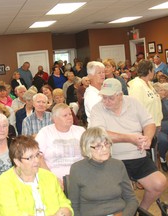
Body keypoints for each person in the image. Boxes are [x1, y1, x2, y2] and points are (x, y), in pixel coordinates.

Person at [90, 78, 167, 210]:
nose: (106, 101)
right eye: (104, 97)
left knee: (159, 183)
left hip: (137, 155)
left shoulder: (133, 103)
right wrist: (129, 138)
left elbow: (149, 123)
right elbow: (100, 134)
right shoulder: (97, 109)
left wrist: (147, 138)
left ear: (120, 95)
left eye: (110, 98)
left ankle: (142, 210)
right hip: (111, 158)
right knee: (121, 192)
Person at [0, 135, 73, 216]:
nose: (37, 160)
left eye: (37, 154)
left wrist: (65, 212)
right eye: (30, 157)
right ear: (17, 161)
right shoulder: (4, 183)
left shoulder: (49, 177)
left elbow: (65, 203)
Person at [68, 127, 138, 216]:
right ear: (86, 148)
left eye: (106, 144)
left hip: (119, 213)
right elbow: (74, 206)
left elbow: (131, 199)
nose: (105, 149)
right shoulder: (77, 169)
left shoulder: (118, 165)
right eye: (98, 146)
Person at [35, 103, 85, 181]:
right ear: (55, 119)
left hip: (80, 177)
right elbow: (38, 157)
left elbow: (89, 154)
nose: (69, 117)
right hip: (52, 177)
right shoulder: (45, 132)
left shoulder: (81, 131)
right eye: (65, 116)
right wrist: (52, 179)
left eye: (70, 114)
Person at [128, 59, 163, 129]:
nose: (154, 73)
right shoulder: (137, 85)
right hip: (146, 126)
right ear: (149, 71)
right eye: (153, 70)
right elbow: (136, 109)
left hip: (156, 123)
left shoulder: (148, 83)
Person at [84, 61, 105, 126]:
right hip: (97, 130)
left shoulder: (105, 89)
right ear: (90, 76)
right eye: (99, 73)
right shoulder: (91, 95)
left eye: (103, 72)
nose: (102, 75)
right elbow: (99, 114)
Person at [154, 83, 168, 171]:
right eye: (162, 90)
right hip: (158, 127)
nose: (165, 91)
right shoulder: (154, 104)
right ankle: (163, 159)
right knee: (163, 140)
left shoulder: (165, 101)